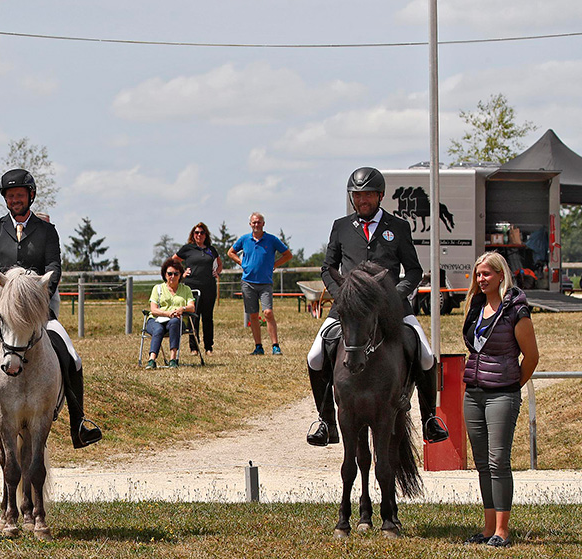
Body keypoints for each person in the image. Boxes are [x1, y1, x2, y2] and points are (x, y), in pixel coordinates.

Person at [0, 168, 102, 450]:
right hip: (2, 311)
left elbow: (54, 266)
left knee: (72, 357)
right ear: (5, 198)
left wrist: (40, 296)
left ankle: (79, 423)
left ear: (30, 196)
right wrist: (1, 295)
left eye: (20, 195)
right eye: (10, 195)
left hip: (38, 311)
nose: (15, 199)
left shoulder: (47, 231)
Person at [306, 167, 449, 447]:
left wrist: (395, 297)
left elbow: (414, 272)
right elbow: (328, 268)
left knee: (427, 355)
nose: (362, 201)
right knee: (315, 356)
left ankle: (429, 419)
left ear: (380, 195)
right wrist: (342, 296)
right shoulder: (341, 226)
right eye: (357, 195)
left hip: (393, 306)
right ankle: (325, 421)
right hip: (350, 308)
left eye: (368, 195)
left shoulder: (398, 227)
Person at [461, 252, 539, 548]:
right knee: (482, 463)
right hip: (474, 393)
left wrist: (512, 385)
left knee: (498, 462)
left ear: (500, 275)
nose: (481, 279)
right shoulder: (476, 307)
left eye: (487, 274)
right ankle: (488, 527)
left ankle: (503, 532)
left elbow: (531, 356)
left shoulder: (516, 310)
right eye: (478, 274)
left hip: (502, 394)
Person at [227, 212, 292, 355]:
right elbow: (230, 252)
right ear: (250, 224)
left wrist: (275, 264)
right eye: (254, 222)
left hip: (265, 283)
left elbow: (288, 254)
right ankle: (258, 346)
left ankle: (275, 345)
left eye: (259, 222)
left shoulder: (272, 239)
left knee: (268, 312)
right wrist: (241, 262)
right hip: (248, 282)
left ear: (264, 224)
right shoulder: (244, 239)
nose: (256, 225)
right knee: (253, 315)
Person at [173, 223, 222, 356]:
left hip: (209, 287)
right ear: (192, 235)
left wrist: (217, 272)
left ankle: (208, 347)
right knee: (193, 317)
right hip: (192, 287)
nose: (199, 235)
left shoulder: (211, 250)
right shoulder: (187, 249)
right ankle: (193, 347)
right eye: (196, 232)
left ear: (206, 235)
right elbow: (174, 261)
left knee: (208, 317)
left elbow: (219, 262)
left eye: (201, 232)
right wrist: (182, 273)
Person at [144, 258, 196, 369]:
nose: (172, 276)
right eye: (169, 273)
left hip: (176, 321)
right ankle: (151, 360)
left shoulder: (186, 289)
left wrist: (182, 308)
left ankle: (173, 359)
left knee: (175, 322)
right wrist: (167, 313)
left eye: (176, 274)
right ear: (165, 274)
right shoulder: (157, 289)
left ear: (180, 274)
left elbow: (192, 307)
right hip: (156, 320)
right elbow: (153, 310)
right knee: (158, 329)